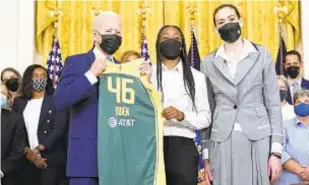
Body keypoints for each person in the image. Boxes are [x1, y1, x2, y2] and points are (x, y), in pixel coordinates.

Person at [54, 11, 152, 185]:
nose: (114, 36)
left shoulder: (124, 70)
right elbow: (60, 100)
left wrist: (146, 83)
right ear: (95, 35)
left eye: (118, 32)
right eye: (109, 31)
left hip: (118, 160)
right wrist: (91, 75)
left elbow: (137, 113)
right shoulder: (76, 62)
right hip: (85, 161)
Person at [200, 4, 283, 185]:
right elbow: (207, 108)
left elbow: (273, 104)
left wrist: (275, 152)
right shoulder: (208, 63)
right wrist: (206, 155)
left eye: (231, 19)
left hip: (258, 137)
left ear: (241, 21)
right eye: (221, 22)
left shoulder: (262, 55)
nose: (227, 24)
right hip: (221, 140)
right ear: (215, 29)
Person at [151, 25, 211, 185]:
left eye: (176, 38)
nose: (171, 40)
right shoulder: (147, 74)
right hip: (152, 145)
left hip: (183, 145)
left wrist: (182, 115)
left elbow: (205, 117)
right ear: (158, 44)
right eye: (165, 37)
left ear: (182, 44)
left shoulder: (196, 77)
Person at [11, 64, 68, 185]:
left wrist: (39, 149)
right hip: (25, 159)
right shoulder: (19, 102)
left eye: (43, 76)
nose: (40, 79)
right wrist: (28, 153)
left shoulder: (56, 99)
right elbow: (15, 132)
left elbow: (58, 129)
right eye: (36, 76)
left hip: (50, 159)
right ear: (29, 79)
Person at [277, 89, 309, 185]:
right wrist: (301, 171)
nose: (302, 104)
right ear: (294, 106)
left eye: (306, 102)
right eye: (298, 102)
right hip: (290, 181)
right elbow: (279, 151)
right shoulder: (284, 125)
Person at [1, 94, 27, 185]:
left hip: (6, 177)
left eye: (3, 93)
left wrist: (2, 170)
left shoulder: (15, 119)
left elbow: (18, 150)